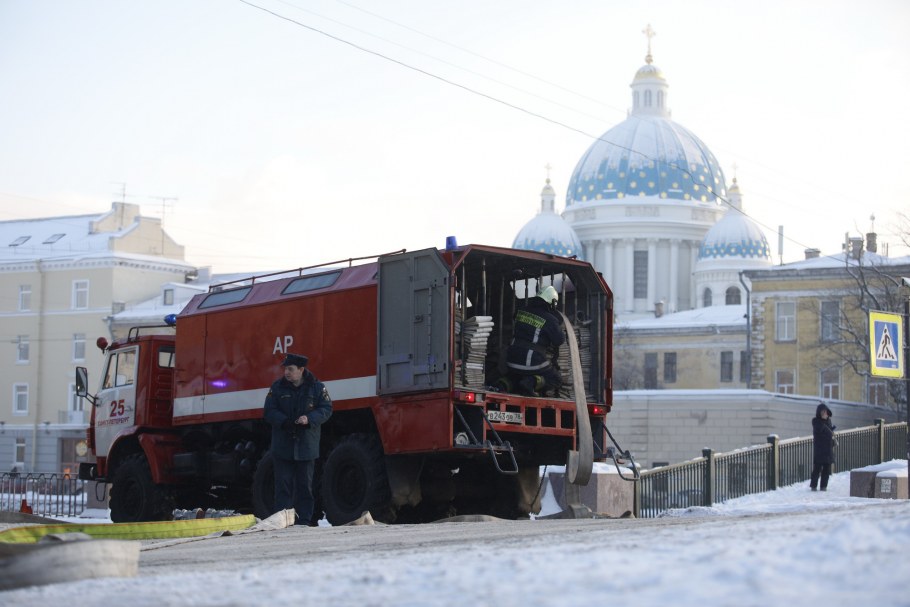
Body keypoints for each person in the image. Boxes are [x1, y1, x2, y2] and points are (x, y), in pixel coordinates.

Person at [263, 353, 332, 525]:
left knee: (305, 487)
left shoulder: (316, 388)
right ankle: (282, 521)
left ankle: (304, 521)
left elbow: (326, 408)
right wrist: (284, 422)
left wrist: (309, 419)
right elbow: (269, 411)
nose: (286, 372)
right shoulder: (277, 388)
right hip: (283, 446)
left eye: (290, 369)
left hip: (306, 446)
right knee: (283, 486)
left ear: (301, 370)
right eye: (286, 369)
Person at [499, 285, 565, 396]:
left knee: (516, 376)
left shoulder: (521, 311)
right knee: (555, 379)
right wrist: (556, 321)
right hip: (531, 361)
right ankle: (532, 382)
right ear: (552, 302)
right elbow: (559, 340)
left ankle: (503, 384)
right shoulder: (550, 319)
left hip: (512, 359)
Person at [810, 403, 836, 491]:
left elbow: (828, 433)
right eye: (823, 412)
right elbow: (820, 431)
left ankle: (823, 486)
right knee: (817, 468)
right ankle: (813, 486)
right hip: (820, 449)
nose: (825, 414)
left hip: (828, 449)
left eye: (826, 412)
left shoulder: (828, 421)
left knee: (826, 469)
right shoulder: (816, 422)